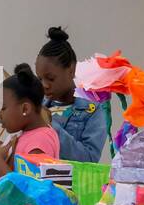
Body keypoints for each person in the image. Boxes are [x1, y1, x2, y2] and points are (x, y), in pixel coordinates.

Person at [35, 26, 110, 162]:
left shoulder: (92, 112)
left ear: (71, 69)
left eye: (50, 78)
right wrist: (5, 149)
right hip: (35, 182)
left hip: (69, 183)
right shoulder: (37, 107)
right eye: (40, 79)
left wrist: (51, 126)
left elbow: (89, 159)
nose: (44, 85)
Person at [0, 64, 59, 177]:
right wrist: (5, 152)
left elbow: (27, 192)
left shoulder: (40, 142)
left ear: (25, 108)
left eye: (3, 108)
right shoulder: (30, 134)